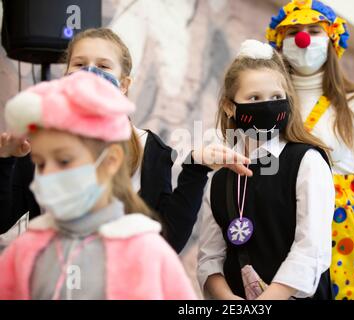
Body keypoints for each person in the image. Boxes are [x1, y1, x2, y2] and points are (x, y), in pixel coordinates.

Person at [0, 28, 251, 253]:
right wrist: (6, 160)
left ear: (124, 85)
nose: (90, 72)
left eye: (104, 65)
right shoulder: (40, 143)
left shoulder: (150, 150)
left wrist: (196, 167)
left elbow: (168, 240)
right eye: (79, 64)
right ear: (65, 74)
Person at [0, 72, 197, 300]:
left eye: (64, 160)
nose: (49, 174)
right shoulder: (25, 251)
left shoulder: (148, 252)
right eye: (41, 163)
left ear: (111, 161)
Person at [266, 0, 354, 300]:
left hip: (344, 229)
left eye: (314, 30)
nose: (303, 39)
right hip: (284, 222)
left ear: (331, 39)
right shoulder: (270, 103)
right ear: (279, 42)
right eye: (294, 31)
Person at [197, 40, 335, 300]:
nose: (267, 106)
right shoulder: (219, 177)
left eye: (275, 97)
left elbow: (311, 248)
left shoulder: (307, 161)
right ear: (229, 106)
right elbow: (209, 257)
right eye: (254, 98)